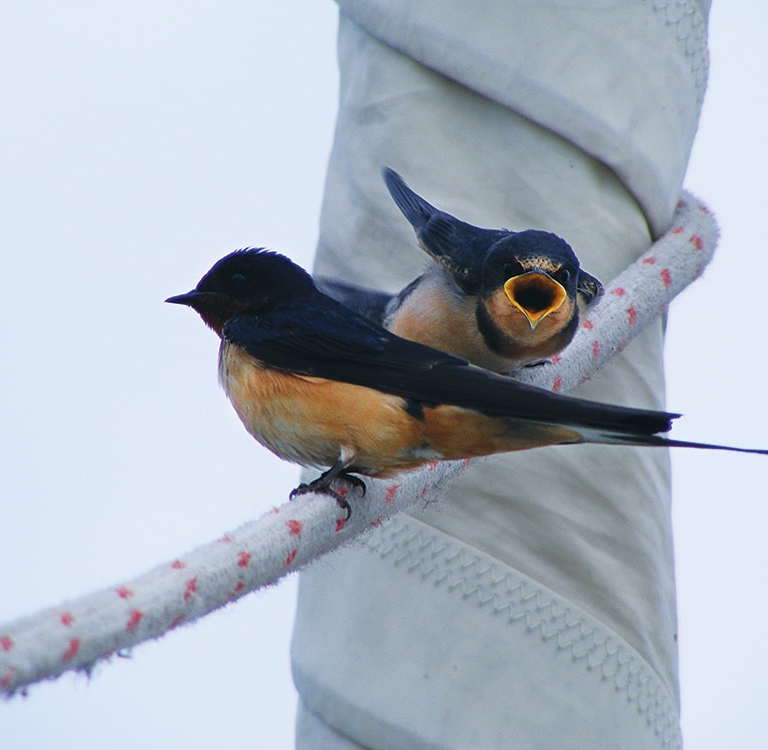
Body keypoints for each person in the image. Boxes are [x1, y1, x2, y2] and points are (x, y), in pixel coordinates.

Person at [292, 3, 710, 746]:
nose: (537, 286)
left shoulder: (574, 304)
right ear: (492, 278)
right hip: (406, 334)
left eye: (557, 286)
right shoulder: (466, 263)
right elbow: (426, 219)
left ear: (570, 295)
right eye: (519, 279)